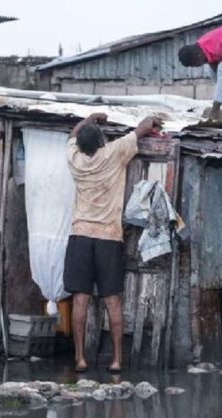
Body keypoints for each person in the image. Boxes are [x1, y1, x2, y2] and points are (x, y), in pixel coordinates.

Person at [64, 113, 162, 373]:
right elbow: (142, 128)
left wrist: (87, 119)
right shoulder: (113, 153)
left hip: (80, 235)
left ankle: (80, 358)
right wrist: (152, 119)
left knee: (80, 300)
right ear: (100, 142)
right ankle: (117, 360)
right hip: (108, 237)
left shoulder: (74, 160)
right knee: (112, 301)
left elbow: (73, 135)